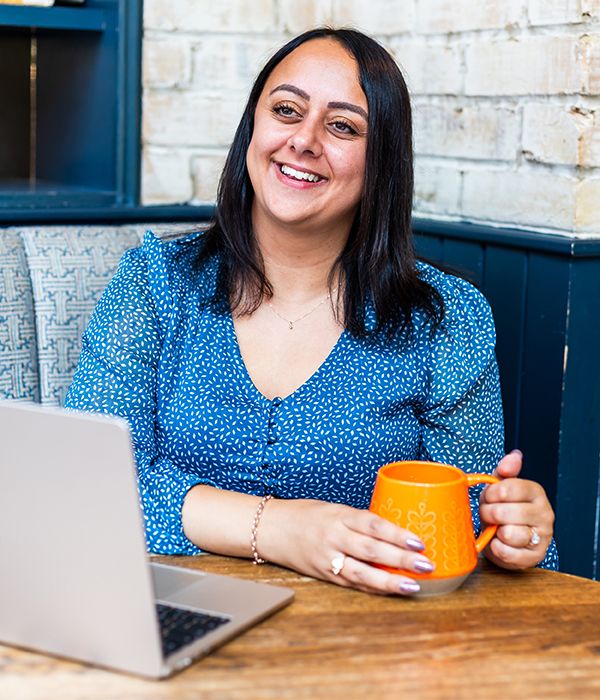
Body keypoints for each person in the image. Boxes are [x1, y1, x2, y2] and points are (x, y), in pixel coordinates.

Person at [65, 27, 557, 595]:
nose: (303, 140)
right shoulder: (154, 284)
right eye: (286, 110)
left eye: (342, 125)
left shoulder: (446, 319)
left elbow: (462, 522)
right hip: (162, 612)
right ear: (253, 127)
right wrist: (281, 530)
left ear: (382, 163)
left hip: (361, 641)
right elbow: (88, 486)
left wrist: (514, 534)